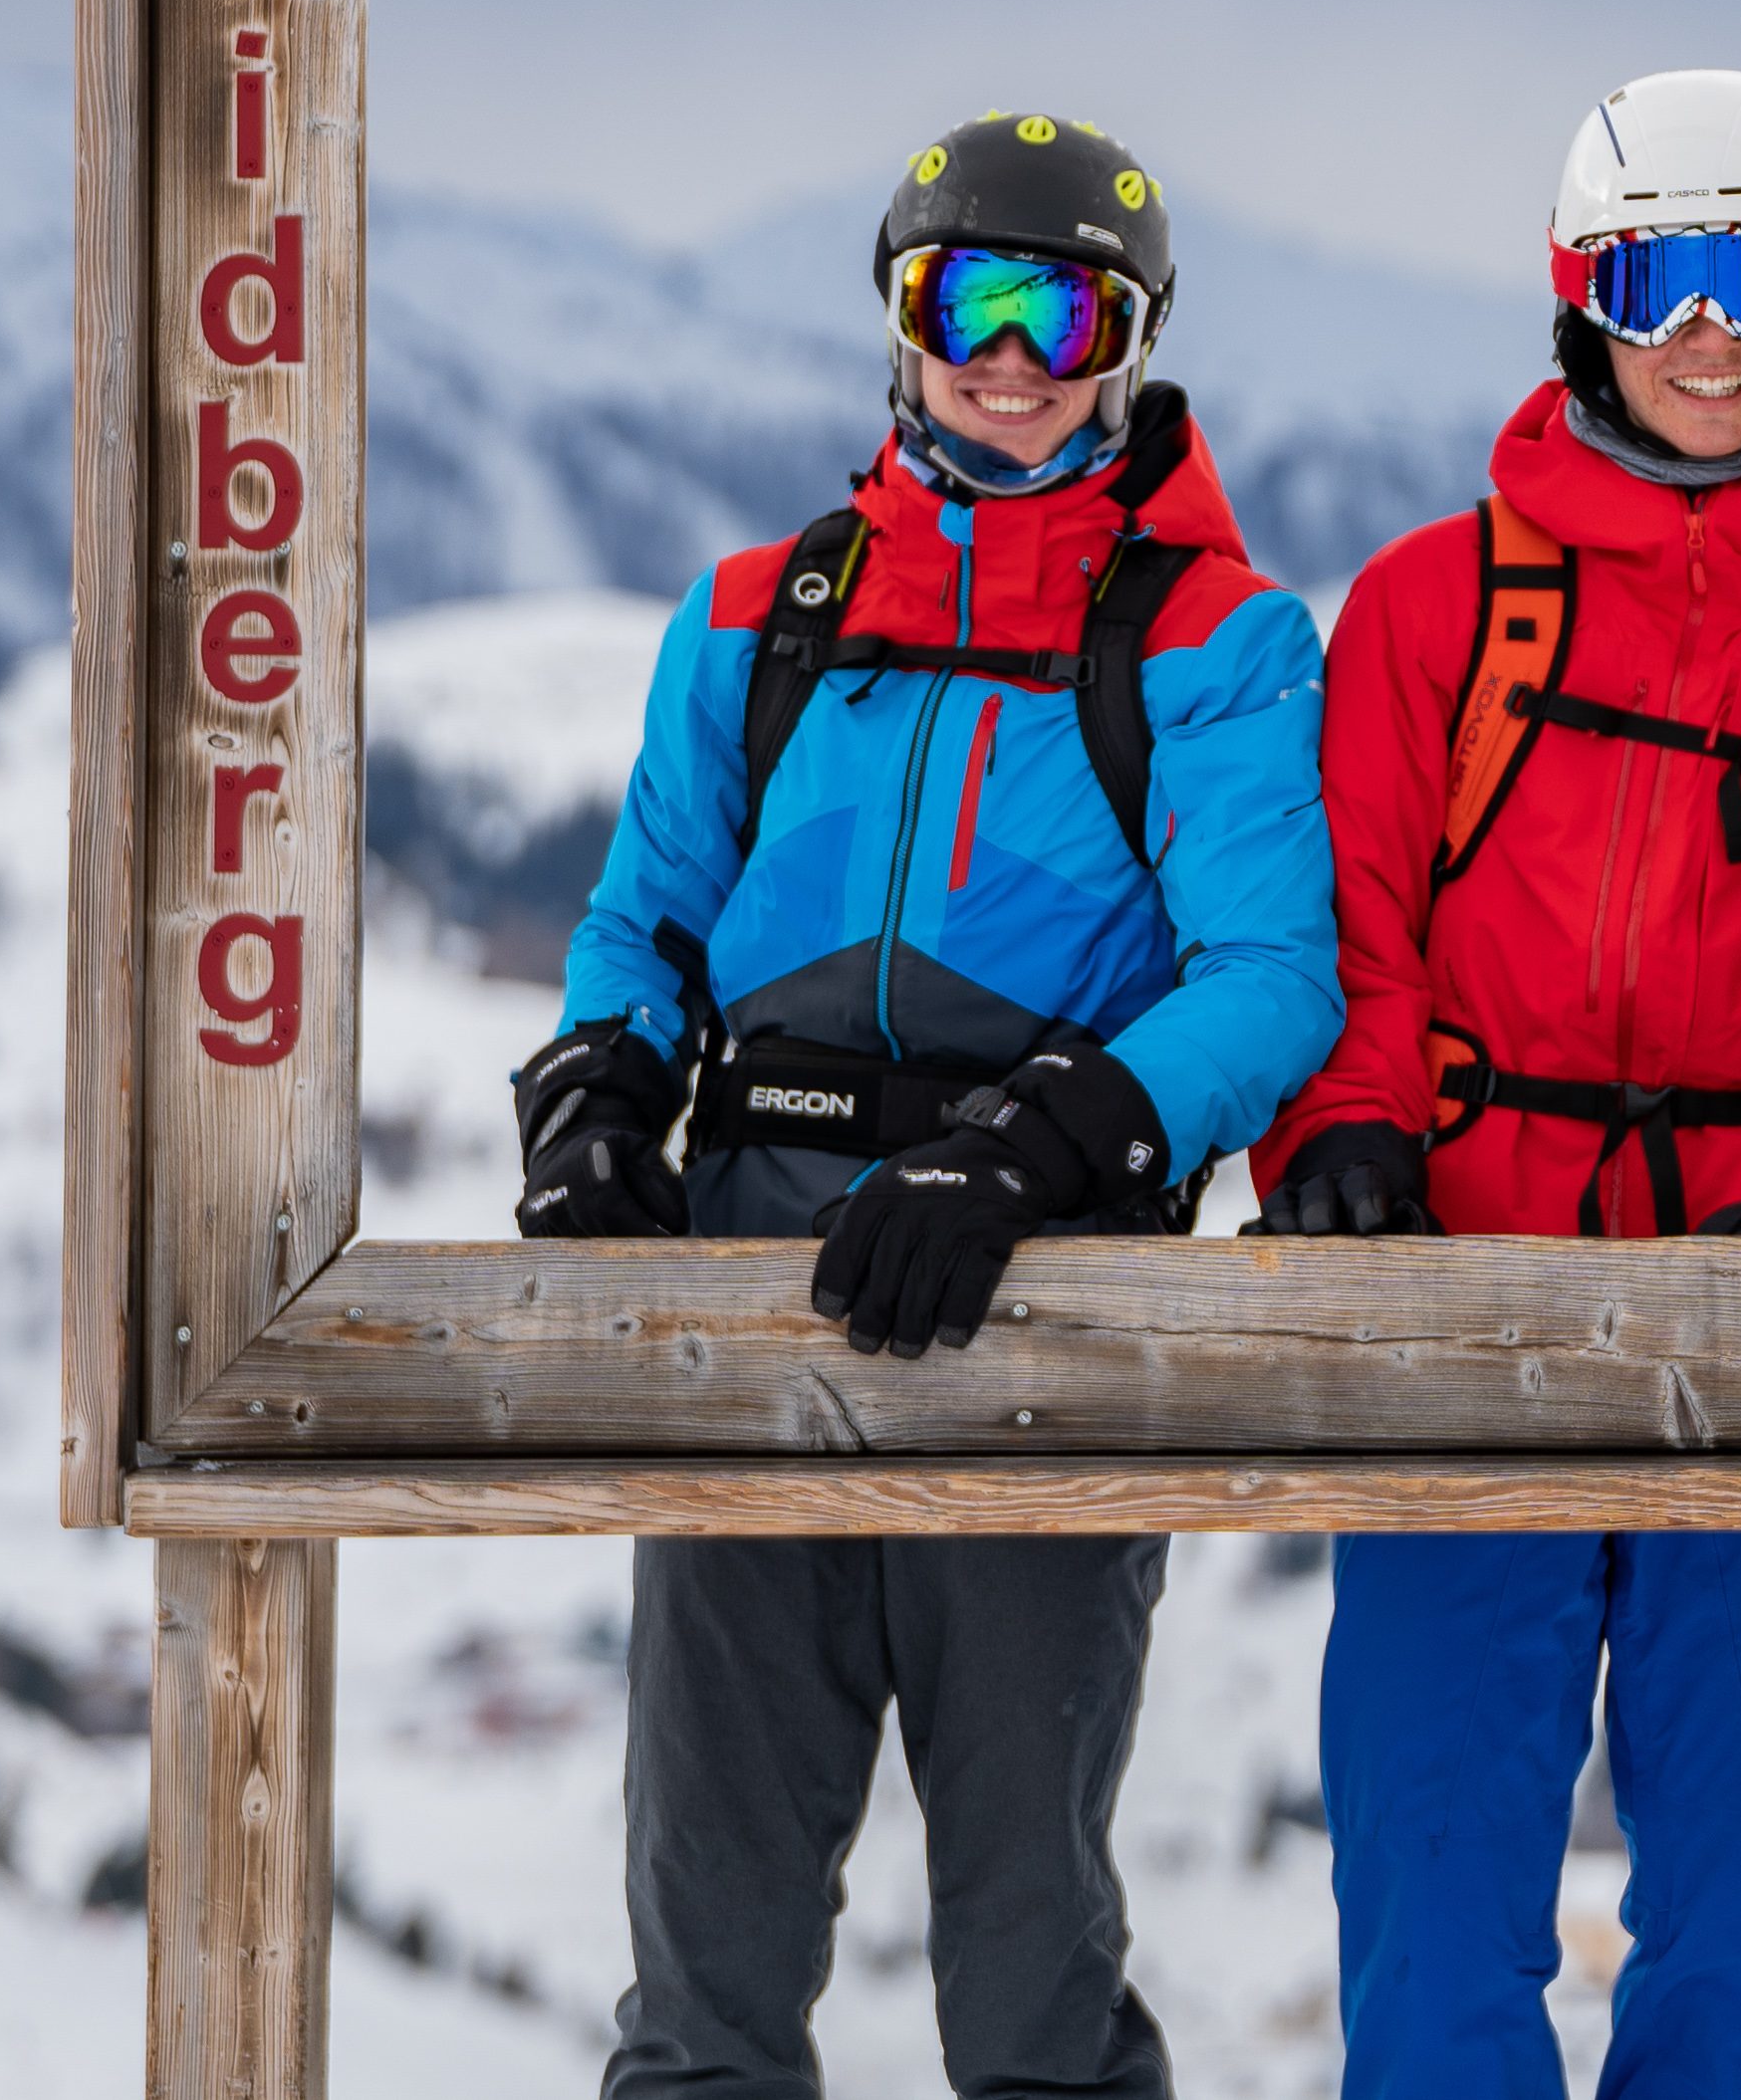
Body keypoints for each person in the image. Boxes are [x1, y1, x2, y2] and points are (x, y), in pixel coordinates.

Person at [512, 112, 1344, 2100]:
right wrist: (608, 1085)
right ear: (899, 323)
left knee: (1026, 1947)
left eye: (1065, 312)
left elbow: (1271, 978)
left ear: (1129, 342)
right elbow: (646, 913)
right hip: (755, 1264)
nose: (1010, 355)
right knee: (706, 1950)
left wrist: (1038, 1144)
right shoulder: (762, 616)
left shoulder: (1208, 640)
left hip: (1036, 1291)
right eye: (963, 298)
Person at [1264, 67, 1741, 2100]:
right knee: (1433, 1934)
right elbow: (1355, 928)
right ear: (1583, 296)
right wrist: (1345, 1135)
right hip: (1467, 1294)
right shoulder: (1432, 604)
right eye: (1655, 276)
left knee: (1738, 1947)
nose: (1701, 331)